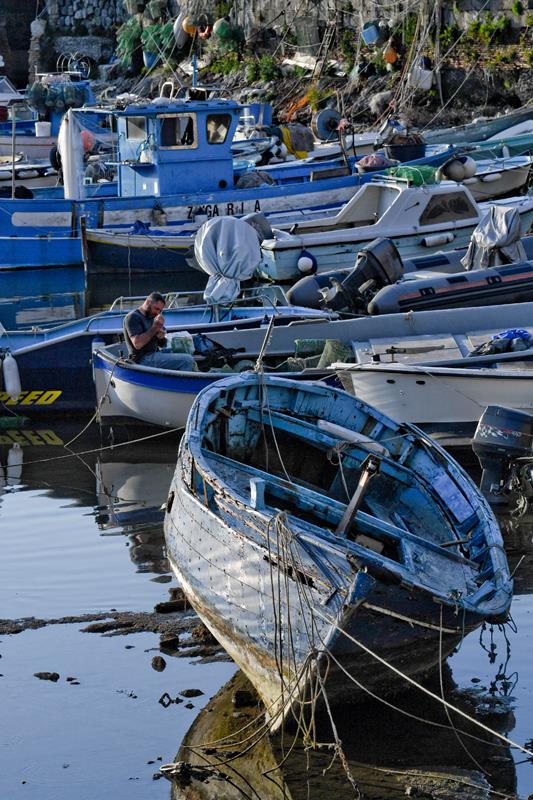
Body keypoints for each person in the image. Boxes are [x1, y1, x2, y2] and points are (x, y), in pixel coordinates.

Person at [123, 291, 195, 371]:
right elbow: (137, 344)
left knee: (186, 352)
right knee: (187, 360)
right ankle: (182, 383)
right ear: (148, 302)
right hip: (142, 359)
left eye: (160, 311)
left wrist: (161, 337)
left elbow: (162, 344)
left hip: (155, 354)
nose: (157, 313)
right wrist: (155, 328)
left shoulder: (152, 316)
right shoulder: (133, 317)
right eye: (156, 309)